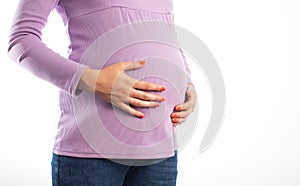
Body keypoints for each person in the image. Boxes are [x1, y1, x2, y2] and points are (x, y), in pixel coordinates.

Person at [8, 0, 197, 185]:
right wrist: (94, 80)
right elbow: (21, 39)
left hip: (161, 150)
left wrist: (186, 82)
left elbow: (166, 32)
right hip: (91, 153)